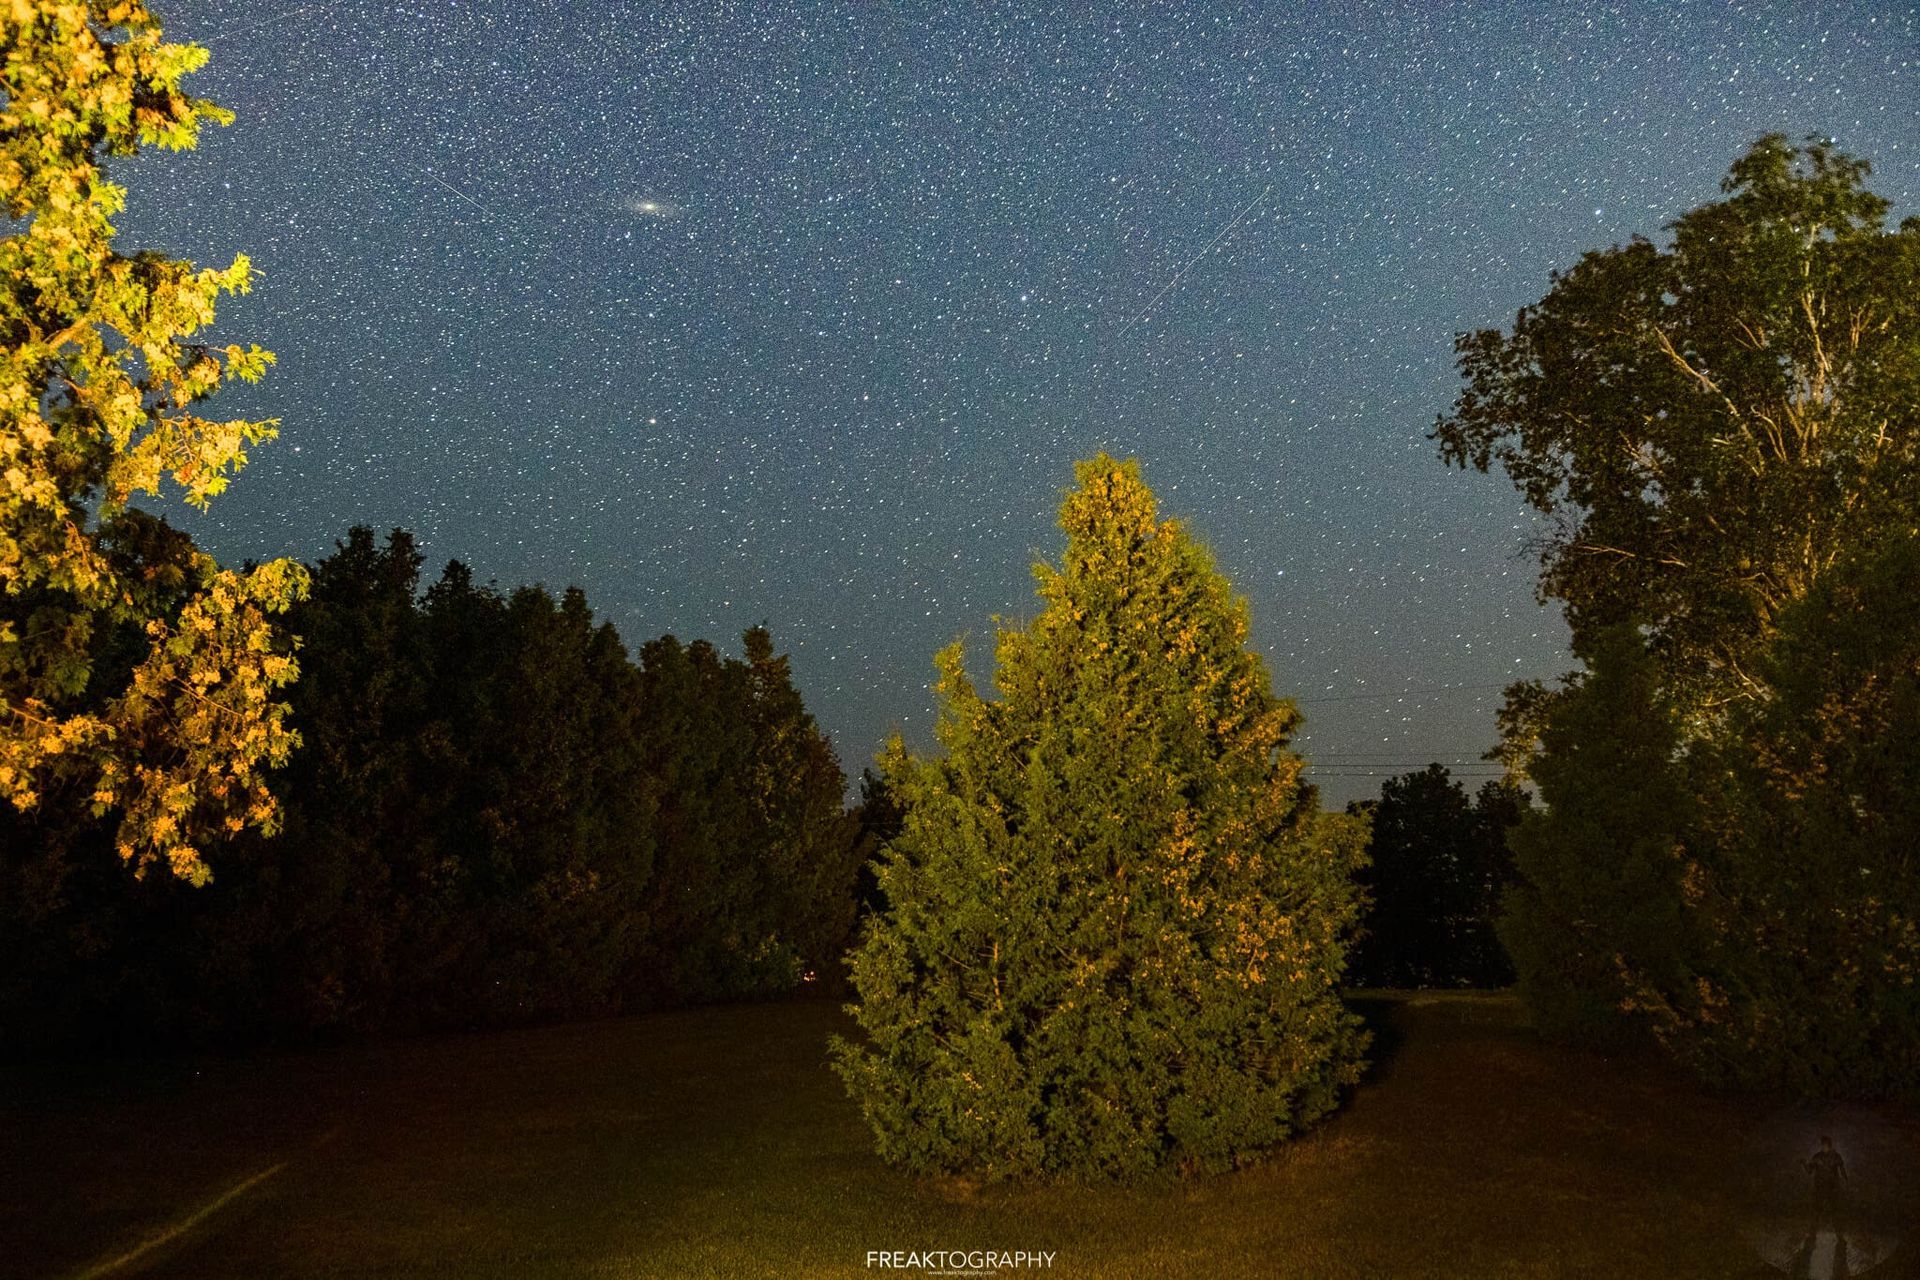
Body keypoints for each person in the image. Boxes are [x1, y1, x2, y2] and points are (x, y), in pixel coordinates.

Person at [1805, 1135, 1848, 1233]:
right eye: (1823, 1144)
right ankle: (1813, 1228)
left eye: (1826, 1144)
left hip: (1832, 1186)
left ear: (1829, 1145)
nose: (1824, 1146)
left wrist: (1845, 1181)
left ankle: (1838, 1229)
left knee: (1834, 1207)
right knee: (1817, 1207)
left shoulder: (1836, 1156)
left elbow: (1842, 1170)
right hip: (1820, 1186)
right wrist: (1804, 1164)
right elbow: (1809, 1171)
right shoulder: (1817, 1156)